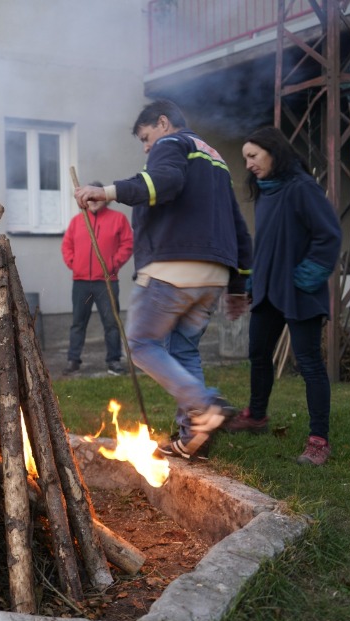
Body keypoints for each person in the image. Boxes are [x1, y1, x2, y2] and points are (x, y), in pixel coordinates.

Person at [75, 99, 252, 460]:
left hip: (172, 268)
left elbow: (163, 183)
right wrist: (237, 285)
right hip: (212, 275)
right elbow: (238, 226)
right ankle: (193, 439)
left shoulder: (172, 144)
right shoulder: (216, 160)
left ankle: (204, 405)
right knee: (184, 350)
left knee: (140, 344)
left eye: (145, 137)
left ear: (163, 122)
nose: (146, 147)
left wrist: (105, 192)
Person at [224, 126, 341, 466]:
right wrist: (252, 285)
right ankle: (257, 415)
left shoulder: (302, 188)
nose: (248, 164)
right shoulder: (265, 191)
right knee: (259, 353)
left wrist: (305, 278)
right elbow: (267, 244)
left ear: (273, 152)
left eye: (253, 156)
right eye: (245, 157)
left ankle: (319, 439)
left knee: (309, 364)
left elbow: (328, 236)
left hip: (300, 291)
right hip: (268, 291)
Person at [61, 183, 134, 376]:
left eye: (95, 197)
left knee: (111, 322)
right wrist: (74, 263)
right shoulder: (77, 221)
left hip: (107, 282)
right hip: (81, 282)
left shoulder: (118, 219)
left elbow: (127, 244)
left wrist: (113, 264)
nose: (92, 202)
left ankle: (114, 361)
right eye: (89, 198)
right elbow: (67, 245)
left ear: (104, 198)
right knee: (78, 322)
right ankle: (73, 360)